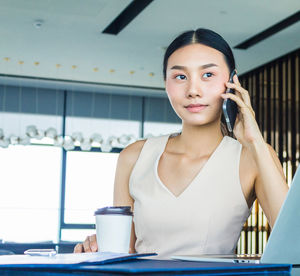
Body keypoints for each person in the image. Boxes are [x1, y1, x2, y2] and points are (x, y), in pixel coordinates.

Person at [74, 28, 288, 257]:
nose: (193, 91)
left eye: (208, 75)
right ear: (166, 83)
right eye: (180, 77)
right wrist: (96, 247)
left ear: (232, 81)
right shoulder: (133, 156)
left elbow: (294, 241)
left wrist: (254, 141)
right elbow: (123, 252)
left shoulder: (253, 156)